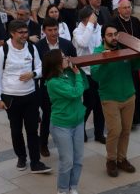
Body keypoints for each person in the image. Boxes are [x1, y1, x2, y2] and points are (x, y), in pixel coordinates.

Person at [0, 20, 52, 173]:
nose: (25, 35)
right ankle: (21, 157)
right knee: (16, 130)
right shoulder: (2, 51)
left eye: (26, 32)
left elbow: (40, 68)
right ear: (12, 33)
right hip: (11, 99)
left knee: (32, 130)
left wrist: (33, 74)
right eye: (21, 33)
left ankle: (36, 162)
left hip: (30, 96)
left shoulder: (31, 48)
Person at [91, 24, 140, 177]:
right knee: (115, 130)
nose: (114, 37)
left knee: (126, 130)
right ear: (103, 37)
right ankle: (111, 160)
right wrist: (105, 59)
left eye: (115, 34)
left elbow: (137, 66)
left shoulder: (124, 49)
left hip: (129, 95)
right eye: (110, 35)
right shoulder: (98, 52)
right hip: (110, 98)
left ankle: (122, 159)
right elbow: (96, 76)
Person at [43, 49, 88, 194]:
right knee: (67, 160)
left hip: (78, 121)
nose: (67, 58)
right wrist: (77, 76)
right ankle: (62, 189)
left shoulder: (68, 73)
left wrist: (78, 72)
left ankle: (73, 187)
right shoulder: (53, 82)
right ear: (56, 63)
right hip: (62, 125)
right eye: (63, 57)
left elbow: (84, 86)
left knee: (78, 159)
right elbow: (75, 92)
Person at [35, 17, 77, 156]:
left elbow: (74, 62)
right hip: (47, 87)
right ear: (44, 31)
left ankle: (67, 141)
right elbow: (36, 68)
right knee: (47, 115)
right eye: (50, 30)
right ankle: (43, 144)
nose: (53, 32)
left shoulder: (66, 44)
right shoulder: (38, 46)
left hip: (65, 85)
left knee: (66, 112)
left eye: (55, 29)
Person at [111, 0, 140, 126]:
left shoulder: (135, 21)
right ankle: (130, 119)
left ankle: (139, 115)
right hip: (122, 61)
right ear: (119, 10)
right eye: (124, 8)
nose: (128, 10)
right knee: (127, 89)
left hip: (136, 59)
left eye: (129, 7)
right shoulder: (114, 23)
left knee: (137, 88)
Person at [73, 7, 106, 143]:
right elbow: (84, 42)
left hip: (99, 70)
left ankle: (99, 133)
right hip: (86, 72)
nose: (95, 18)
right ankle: (81, 129)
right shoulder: (77, 31)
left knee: (100, 104)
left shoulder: (99, 28)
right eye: (92, 16)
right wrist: (90, 25)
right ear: (86, 19)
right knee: (89, 103)